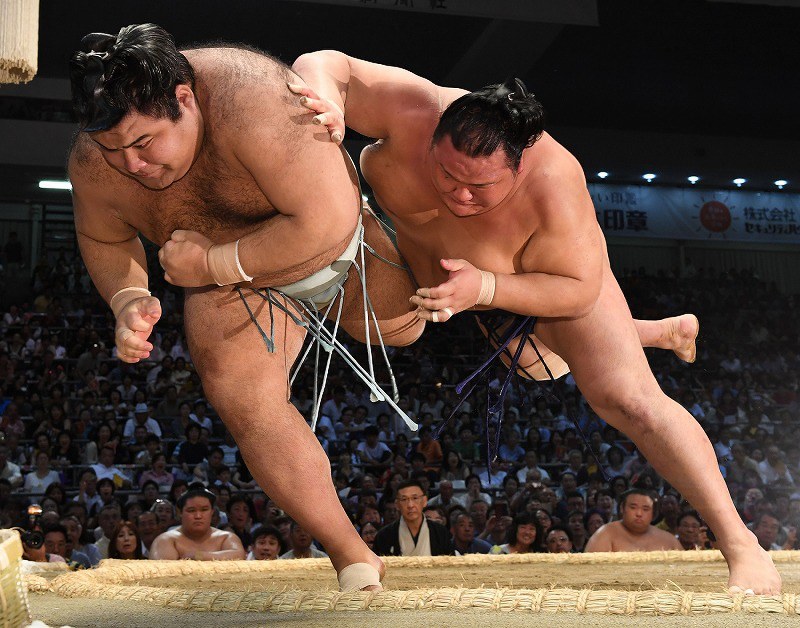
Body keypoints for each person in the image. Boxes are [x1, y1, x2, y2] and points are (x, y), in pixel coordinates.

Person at [290, 50, 778, 594]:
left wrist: (489, 286)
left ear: (518, 168)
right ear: (433, 138)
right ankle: (655, 331)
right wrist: (327, 100)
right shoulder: (417, 108)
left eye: (481, 188)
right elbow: (322, 61)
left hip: (538, 278)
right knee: (529, 362)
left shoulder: (554, 181)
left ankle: (743, 546)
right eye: (447, 173)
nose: (458, 194)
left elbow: (578, 288)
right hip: (440, 279)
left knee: (627, 398)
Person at [67, 25, 418, 591]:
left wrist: (213, 265)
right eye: (114, 149)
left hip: (341, 249)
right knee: (240, 395)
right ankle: (352, 555)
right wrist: (127, 296)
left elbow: (324, 220)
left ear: (184, 98)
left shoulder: (258, 99)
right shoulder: (95, 161)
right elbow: (105, 239)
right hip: (231, 282)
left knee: (405, 331)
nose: (131, 164)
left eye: (145, 142)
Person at [148, 483, 245, 560]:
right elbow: (163, 571)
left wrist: (199, 556)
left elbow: (239, 555)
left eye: (204, 510)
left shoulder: (226, 537)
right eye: (191, 510)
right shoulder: (166, 540)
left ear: (212, 512)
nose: (198, 516)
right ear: (180, 513)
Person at [585, 489, 682, 553]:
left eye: (645, 509)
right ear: (622, 508)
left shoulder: (669, 540)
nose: (639, 513)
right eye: (633, 507)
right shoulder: (605, 534)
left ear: (653, 513)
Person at [373, 480, 451, 557]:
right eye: (404, 499)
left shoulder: (440, 533)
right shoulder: (384, 536)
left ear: (424, 501)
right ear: (397, 505)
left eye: (415, 498)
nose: (410, 505)